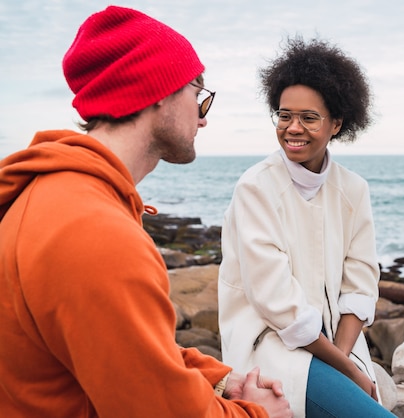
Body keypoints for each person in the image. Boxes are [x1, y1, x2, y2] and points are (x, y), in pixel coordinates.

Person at [0, 6, 292, 418]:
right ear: (158, 90)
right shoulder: (96, 234)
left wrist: (219, 380)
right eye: (198, 94)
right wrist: (257, 414)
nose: (203, 119)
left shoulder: (52, 194)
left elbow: (126, 348)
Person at [218, 37, 395, 418]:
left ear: (337, 124)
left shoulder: (353, 189)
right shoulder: (255, 188)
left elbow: (361, 282)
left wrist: (344, 359)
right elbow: (276, 302)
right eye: (284, 115)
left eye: (309, 118)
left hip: (336, 345)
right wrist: (345, 370)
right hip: (272, 346)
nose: (292, 128)